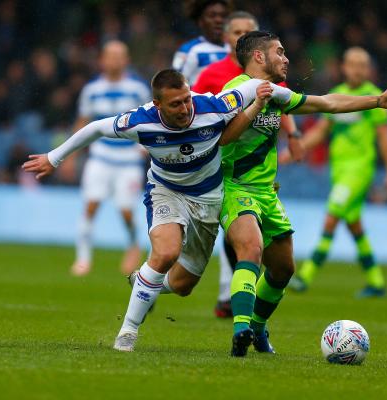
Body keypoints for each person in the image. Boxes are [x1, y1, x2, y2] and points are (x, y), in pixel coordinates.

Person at [23, 69, 298, 352]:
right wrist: (54, 158)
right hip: (166, 191)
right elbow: (94, 128)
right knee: (166, 252)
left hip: (207, 199)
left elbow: (253, 88)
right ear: (158, 105)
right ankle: (128, 332)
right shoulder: (140, 121)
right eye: (175, 104)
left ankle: (144, 281)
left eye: (186, 99)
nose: (184, 108)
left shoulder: (212, 106)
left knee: (183, 285)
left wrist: (277, 100)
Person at [221, 31, 387, 356]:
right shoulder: (234, 91)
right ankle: (241, 331)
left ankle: (257, 327)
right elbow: (223, 137)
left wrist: (377, 100)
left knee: (282, 269)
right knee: (250, 249)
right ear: (258, 57)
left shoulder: (278, 94)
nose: (286, 58)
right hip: (235, 188)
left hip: (267, 192)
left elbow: (326, 103)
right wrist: (256, 106)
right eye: (279, 52)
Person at [192, 10, 304, 318]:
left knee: (268, 259)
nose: (285, 57)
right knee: (243, 249)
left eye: (246, 29)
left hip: (263, 186)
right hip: (224, 180)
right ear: (229, 38)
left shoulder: (271, 81)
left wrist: (293, 135)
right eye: (235, 29)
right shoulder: (219, 77)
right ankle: (231, 303)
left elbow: (290, 104)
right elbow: (197, 117)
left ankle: (239, 307)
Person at [283, 47, 387, 297]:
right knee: (354, 225)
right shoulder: (340, 95)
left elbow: (385, 138)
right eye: (352, 64)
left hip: (359, 170)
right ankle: (376, 282)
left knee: (332, 216)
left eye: (362, 65)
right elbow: (322, 131)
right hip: (338, 170)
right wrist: (297, 147)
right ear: (344, 67)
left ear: (368, 70)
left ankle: (306, 276)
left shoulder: (374, 96)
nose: (357, 69)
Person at [67, 40, 151, 276]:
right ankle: (82, 259)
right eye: (110, 55)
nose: (114, 60)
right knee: (91, 206)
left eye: (119, 55)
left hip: (128, 160)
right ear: (102, 60)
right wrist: (71, 156)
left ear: (126, 60)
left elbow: (149, 118)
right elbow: (82, 122)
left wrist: (145, 147)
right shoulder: (91, 89)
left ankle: (134, 246)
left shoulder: (137, 88)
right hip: (100, 157)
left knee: (125, 211)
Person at [172, 0, 232, 85]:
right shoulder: (188, 50)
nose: (219, 20)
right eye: (212, 16)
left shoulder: (234, 48)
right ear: (200, 21)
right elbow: (174, 84)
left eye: (223, 16)